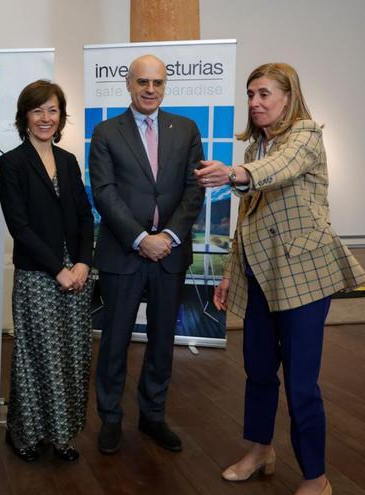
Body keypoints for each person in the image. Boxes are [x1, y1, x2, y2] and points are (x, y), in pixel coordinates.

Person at [195, 62, 365, 495]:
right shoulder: (257, 148)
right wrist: (231, 275)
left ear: (288, 97)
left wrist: (235, 174)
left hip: (303, 278)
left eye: (264, 94)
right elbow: (246, 222)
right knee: (257, 371)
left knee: (301, 383)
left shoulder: (305, 135)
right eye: (251, 94)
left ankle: (317, 477)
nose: (255, 102)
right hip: (259, 275)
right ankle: (260, 450)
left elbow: (282, 168)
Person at [89, 54, 205, 454]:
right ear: (128, 83)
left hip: (170, 254)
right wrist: (141, 238)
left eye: (157, 82)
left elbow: (194, 191)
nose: (150, 89)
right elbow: (104, 193)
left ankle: (153, 416)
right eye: (143, 82)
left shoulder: (186, 129)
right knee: (115, 341)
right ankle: (110, 419)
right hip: (124, 254)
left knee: (161, 341)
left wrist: (168, 236)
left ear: (165, 85)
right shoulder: (106, 131)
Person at [0, 80, 95, 463]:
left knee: (71, 356)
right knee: (37, 356)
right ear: (25, 117)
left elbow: (86, 217)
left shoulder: (69, 161)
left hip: (79, 275)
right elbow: (19, 226)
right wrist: (59, 270)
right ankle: (26, 436)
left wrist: (84, 262)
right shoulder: (12, 163)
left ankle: (63, 436)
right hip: (40, 274)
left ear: (61, 116)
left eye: (52, 110)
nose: (45, 118)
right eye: (37, 110)